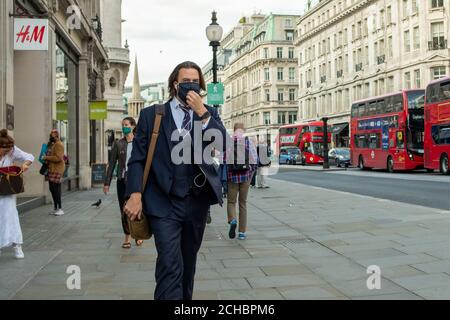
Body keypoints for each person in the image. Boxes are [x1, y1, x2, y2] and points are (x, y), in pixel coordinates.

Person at [124, 61, 228, 300]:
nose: (191, 85)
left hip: (196, 203)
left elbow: (223, 145)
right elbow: (137, 159)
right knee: (170, 265)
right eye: (186, 81)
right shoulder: (152, 115)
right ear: (175, 84)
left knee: (187, 267)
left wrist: (202, 112)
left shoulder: (208, 114)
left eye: (195, 81)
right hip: (163, 203)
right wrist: (135, 194)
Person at [104, 117, 144, 248]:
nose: (124, 127)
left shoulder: (140, 142)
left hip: (136, 180)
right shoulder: (118, 143)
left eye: (126, 125)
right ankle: (127, 237)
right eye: (122, 125)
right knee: (124, 210)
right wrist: (107, 183)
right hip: (122, 180)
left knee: (137, 208)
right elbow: (111, 164)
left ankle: (138, 234)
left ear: (133, 126)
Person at [0, 129, 34, 259]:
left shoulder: (12, 151)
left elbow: (29, 156)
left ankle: (17, 245)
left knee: (10, 216)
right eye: (5, 150)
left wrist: (25, 164)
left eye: (9, 150)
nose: (8, 152)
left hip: (7, 190)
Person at [226, 123, 257, 241]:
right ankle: (242, 233)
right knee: (242, 203)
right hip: (246, 176)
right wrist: (250, 174)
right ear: (244, 131)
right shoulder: (248, 142)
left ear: (234, 130)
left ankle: (232, 219)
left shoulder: (229, 142)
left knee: (231, 202)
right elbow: (255, 160)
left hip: (232, 176)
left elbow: (223, 159)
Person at [42, 129, 66, 216]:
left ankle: (60, 208)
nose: (51, 137)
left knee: (56, 190)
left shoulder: (59, 144)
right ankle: (55, 208)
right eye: (50, 135)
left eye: (52, 135)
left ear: (56, 136)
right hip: (51, 169)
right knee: (52, 189)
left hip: (57, 170)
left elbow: (58, 158)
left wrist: (46, 158)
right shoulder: (53, 144)